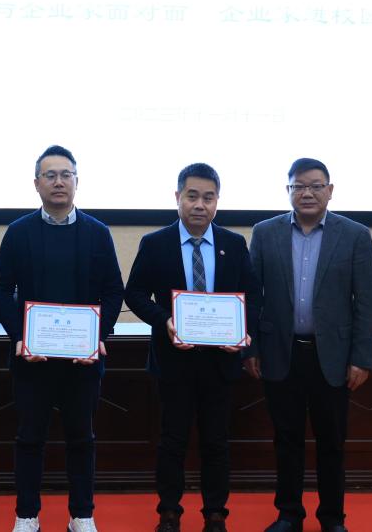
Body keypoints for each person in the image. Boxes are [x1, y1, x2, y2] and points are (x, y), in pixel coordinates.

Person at [0, 145, 124, 532]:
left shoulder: (98, 233)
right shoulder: (18, 232)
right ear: (36, 184)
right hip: (32, 360)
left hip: (84, 360)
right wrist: (19, 336)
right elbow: (0, 290)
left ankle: (81, 514)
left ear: (77, 182)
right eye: (50, 175)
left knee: (82, 439)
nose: (59, 182)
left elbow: (113, 291)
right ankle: (26, 514)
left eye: (66, 174)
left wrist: (98, 336)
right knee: (29, 439)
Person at [124, 163, 260, 532]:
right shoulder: (156, 243)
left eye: (208, 197)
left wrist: (243, 332)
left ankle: (215, 514)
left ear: (217, 201)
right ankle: (169, 512)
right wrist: (164, 320)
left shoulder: (234, 244)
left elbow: (252, 296)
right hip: (174, 361)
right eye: (192, 196)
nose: (200, 204)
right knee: (172, 441)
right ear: (178, 197)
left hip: (221, 362)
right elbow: (135, 293)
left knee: (217, 442)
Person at [247, 158, 372, 532]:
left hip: (332, 357)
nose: (307, 193)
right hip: (281, 352)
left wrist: (361, 358)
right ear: (288, 190)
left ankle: (332, 518)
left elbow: (366, 301)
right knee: (286, 440)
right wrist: (250, 348)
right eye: (299, 186)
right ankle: (289, 515)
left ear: (329, 190)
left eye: (316, 186)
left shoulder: (355, 235)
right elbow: (253, 296)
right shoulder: (265, 233)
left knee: (331, 442)